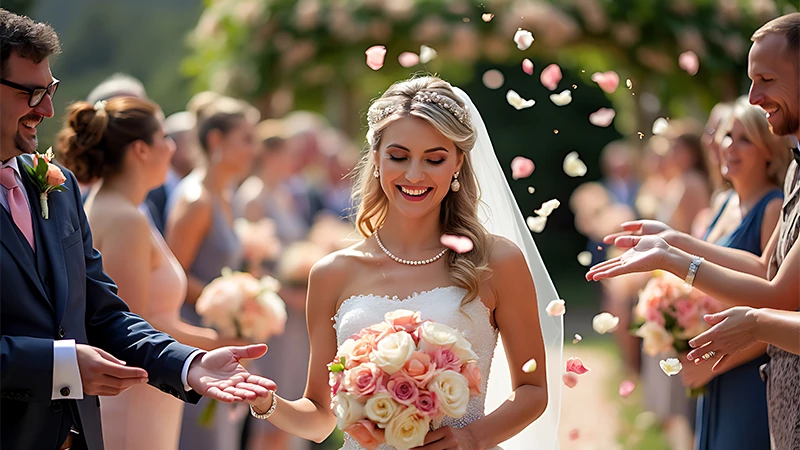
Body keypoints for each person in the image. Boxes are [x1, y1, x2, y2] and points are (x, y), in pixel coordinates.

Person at [0, 9, 275, 450]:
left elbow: (103, 312)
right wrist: (59, 366)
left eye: (49, 90)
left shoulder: (57, 185)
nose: (47, 109)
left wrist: (190, 363)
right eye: (31, 94)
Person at [245, 76, 563, 450]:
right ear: (377, 158)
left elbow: (533, 390)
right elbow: (320, 418)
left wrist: (470, 436)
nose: (414, 175)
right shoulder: (332, 273)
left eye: (434, 159)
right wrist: (264, 402)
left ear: (457, 163)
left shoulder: (497, 261)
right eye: (398, 157)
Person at [587, 13, 800, 449]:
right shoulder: (797, 169)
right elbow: (765, 269)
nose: (754, 96)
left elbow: (780, 295)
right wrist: (674, 240)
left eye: (766, 79)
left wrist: (673, 260)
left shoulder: (776, 194)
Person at [56, 97, 253, 449]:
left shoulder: (126, 209)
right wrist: (220, 342)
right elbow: (134, 325)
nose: (172, 147)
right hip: (137, 394)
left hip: (151, 388)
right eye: (164, 137)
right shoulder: (124, 218)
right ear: (140, 150)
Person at [639, 98, 789, 450]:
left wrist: (714, 364)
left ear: (769, 150)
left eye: (744, 139)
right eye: (726, 136)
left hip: (748, 371)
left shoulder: (774, 209)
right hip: (715, 366)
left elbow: (778, 306)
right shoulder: (723, 203)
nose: (729, 147)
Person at [166, 95, 261, 450]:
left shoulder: (227, 193)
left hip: (221, 334)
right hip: (197, 336)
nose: (255, 149)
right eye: (247, 139)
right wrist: (227, 301)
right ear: (217, 140)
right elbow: (174, 275)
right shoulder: (196, 200)